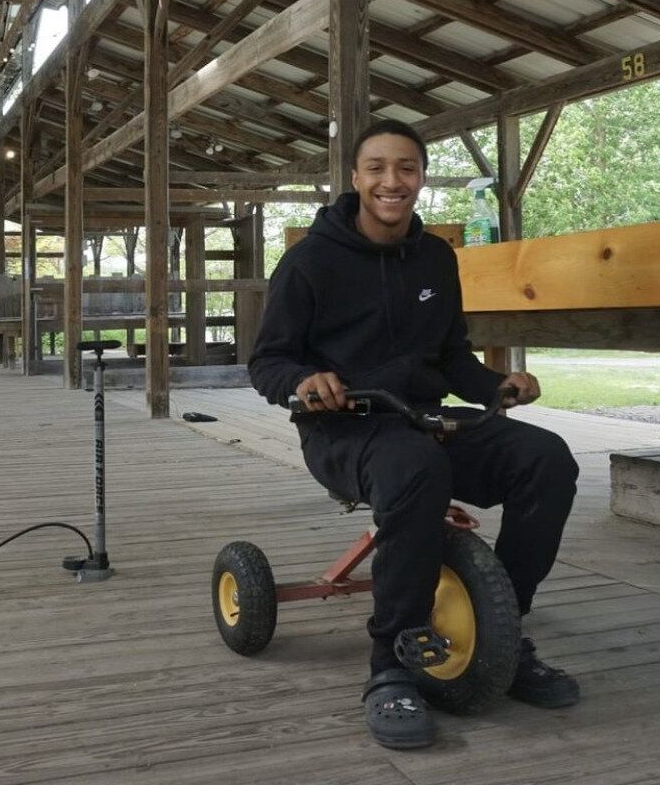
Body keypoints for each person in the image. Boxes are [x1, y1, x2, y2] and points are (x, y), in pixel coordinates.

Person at [248, 118, 580, 750]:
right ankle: (390, 666)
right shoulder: (309, 262)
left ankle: (500, 630)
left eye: (406, 168)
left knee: (546, 458)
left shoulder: (434, 258)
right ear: (354, 177)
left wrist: (494, 387)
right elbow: (267, 364)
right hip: (344, 429)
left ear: (421, 178)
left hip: (426, 419)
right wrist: (306, 380)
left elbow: (451, 356)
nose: (391, 181)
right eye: (376, 167)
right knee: (414, 470)